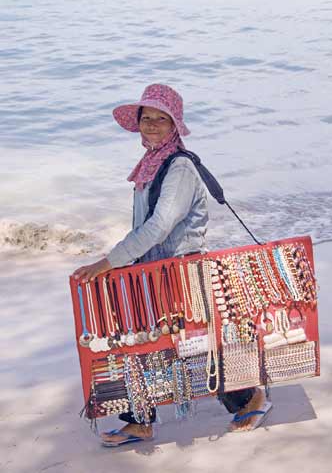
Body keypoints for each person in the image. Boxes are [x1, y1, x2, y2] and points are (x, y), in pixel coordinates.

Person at [73, 83, 271, 446]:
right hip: (153, 270)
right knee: (141, 342)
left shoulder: (177, 167)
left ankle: (249, 397)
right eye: (145, 118)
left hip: (181, 271)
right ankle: (139, 420)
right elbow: (144, 227)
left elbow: (160, 225)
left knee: (195, 342)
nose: (150, 125)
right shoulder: (151, 164)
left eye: (159, 120)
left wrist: (108, 261)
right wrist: (124, 262)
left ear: (174, 125)